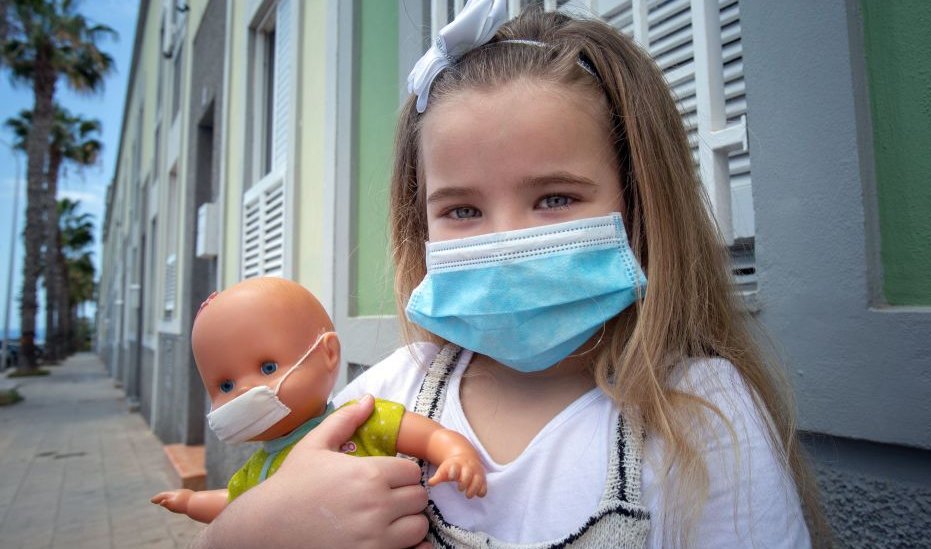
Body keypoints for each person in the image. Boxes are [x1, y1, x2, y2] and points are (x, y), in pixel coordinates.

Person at [196, 1, 827, 547]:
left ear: (639, 204)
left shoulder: (700, 415)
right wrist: (240, 535)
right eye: (462, 210)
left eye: (554, 198)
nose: (505, 241)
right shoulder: (391, 392)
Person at [152, 277, 486, 524]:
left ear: (328, 354)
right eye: (224, 385)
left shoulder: (358, 420)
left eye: (267, 367)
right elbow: (234, 503)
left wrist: (456, 453)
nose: (241, 390)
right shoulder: (257, 469)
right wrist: (191, 502)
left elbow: (426, 435)